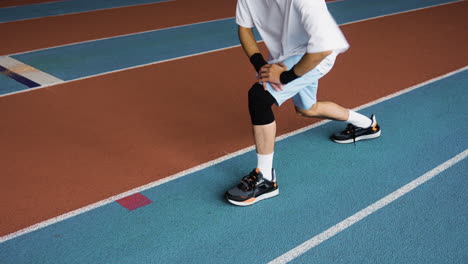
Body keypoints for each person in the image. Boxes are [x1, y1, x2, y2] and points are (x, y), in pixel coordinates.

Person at [225, 0, 381, 206]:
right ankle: (367, 125)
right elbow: (244, 28)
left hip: (316, 56)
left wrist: (286, 77)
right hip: (286, 55)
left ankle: (266, 179)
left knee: (259, 97)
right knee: (307, 109)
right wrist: (261, 64)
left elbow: (323, 48)